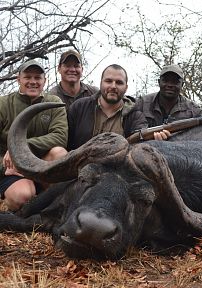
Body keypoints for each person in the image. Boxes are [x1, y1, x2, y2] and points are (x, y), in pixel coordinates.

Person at [0, 59, 68, 211]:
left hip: (42, 166)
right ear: (18, 79)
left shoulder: (54, 102)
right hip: (11, 169)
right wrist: (4, 166)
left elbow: (60, 136)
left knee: (59, 153)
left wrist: (20, 148)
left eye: (38, 78)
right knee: (23, 197)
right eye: (27, 77)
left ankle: (54, 205)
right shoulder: (3, 104)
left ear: (45, 81)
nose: (33, 82)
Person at [67, 64, 148, 150]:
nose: (113, 86)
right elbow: (66, 144)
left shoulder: (135, 116)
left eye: (119, 82)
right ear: (101, 83)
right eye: (108, 81)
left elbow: (140, 148)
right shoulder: (79, 107)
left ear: (126, 88)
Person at [135, 64, 202, 140]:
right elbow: (135, 132)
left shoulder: (194, 110)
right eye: (165, 80)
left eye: (175, 82)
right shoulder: (142, 103)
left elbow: (197, 139)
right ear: (159, 82)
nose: (170, 85)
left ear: (182, 85)